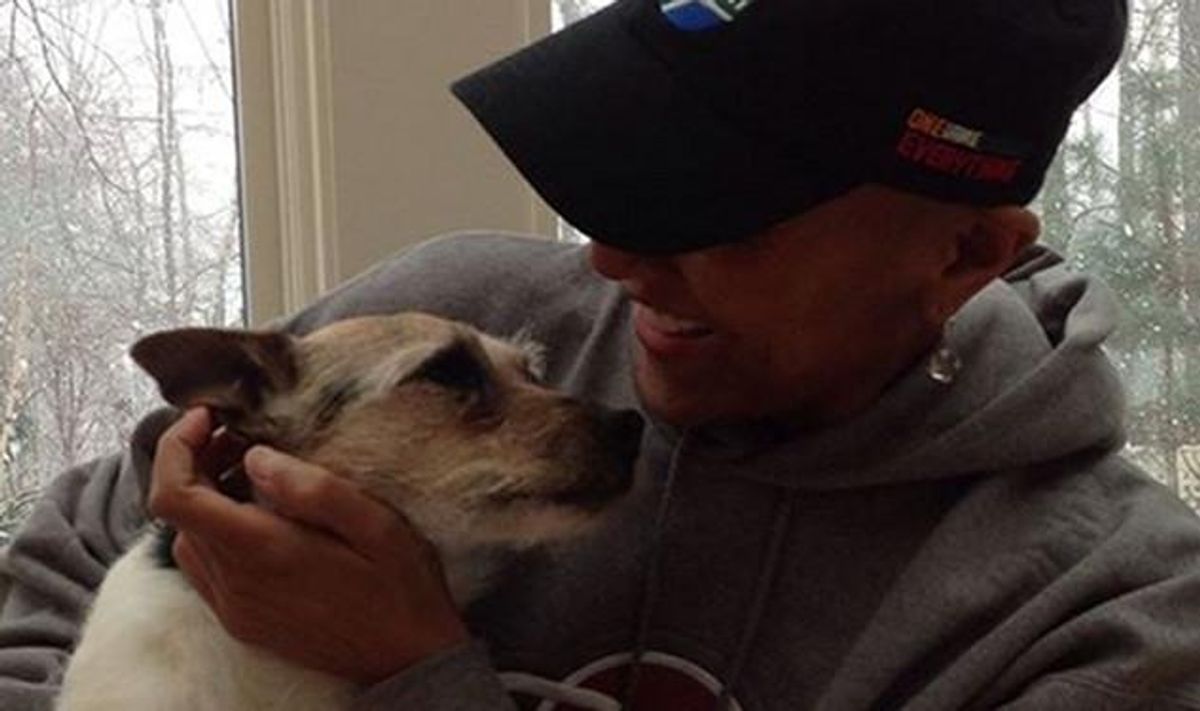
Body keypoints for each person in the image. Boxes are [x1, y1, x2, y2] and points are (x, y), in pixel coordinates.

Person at [4, 0, 1199, 708]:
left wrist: (414, 675)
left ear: (966, 254)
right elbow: (55, 578)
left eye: (722, 211)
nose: (614, 259)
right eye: (621, 167)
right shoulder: (454, 305)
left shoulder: (1105, 616)